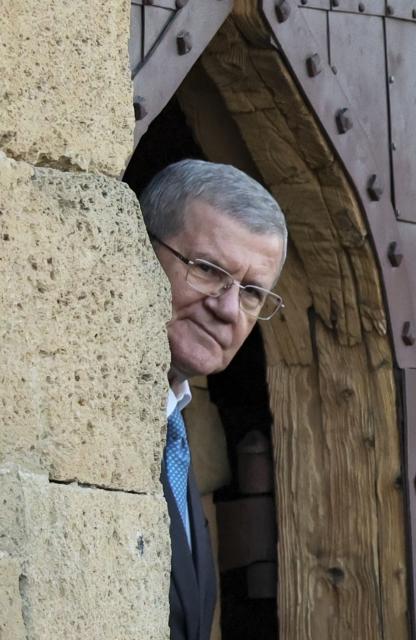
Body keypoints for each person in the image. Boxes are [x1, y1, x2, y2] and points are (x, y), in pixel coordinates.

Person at [140, 159, 287, 640]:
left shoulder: (173, 431)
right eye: (206, 269)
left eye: (251, 294)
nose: (228, 310)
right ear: (138, 249)